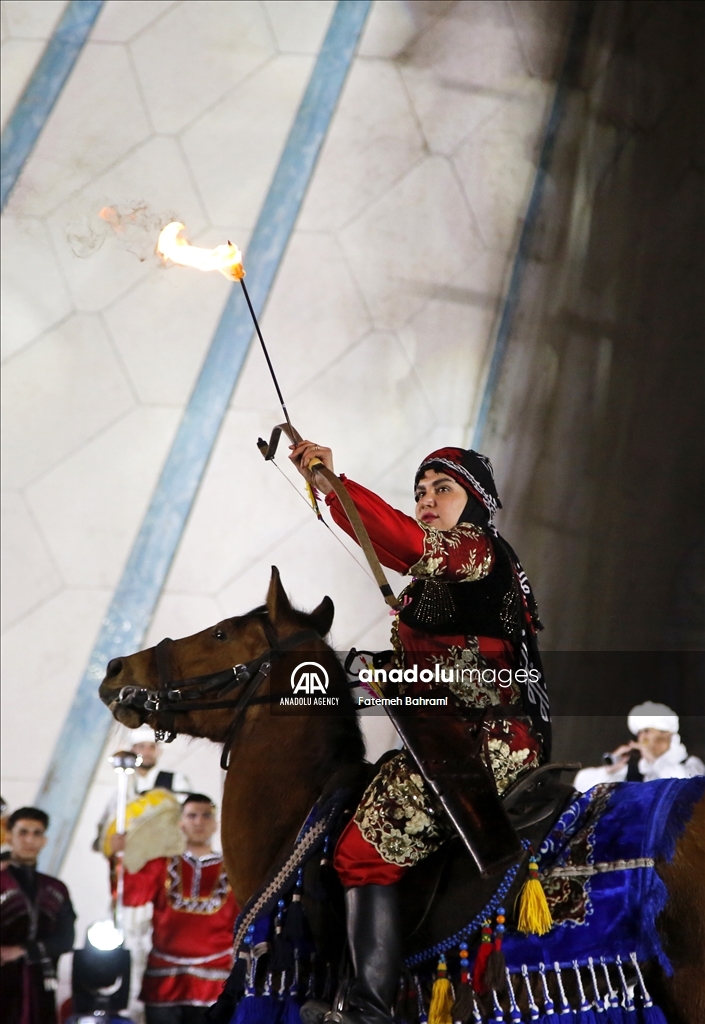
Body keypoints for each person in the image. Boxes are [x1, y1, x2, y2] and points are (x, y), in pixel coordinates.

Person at [290, 442, 549, 1024]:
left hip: (483, 746)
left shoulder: (478, 550)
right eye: (420, 492)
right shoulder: (441, 574)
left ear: (476, 501)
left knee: (359, 855)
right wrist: (331, 488)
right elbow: (381, 536)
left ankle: (368, 1009)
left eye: (442, 489)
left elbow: (404, 542)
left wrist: (338, 481)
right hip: (452, 736)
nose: (427, 500)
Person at [110, 794, 238, 1024]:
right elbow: (130, 897)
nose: (199, 822)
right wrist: (118, 857)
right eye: (192, 816)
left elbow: (243, 919)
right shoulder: (162, 865)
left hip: (215, 976)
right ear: (181, 822)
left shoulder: (233, 869)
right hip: (164, 974)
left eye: (206, 815)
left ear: (216, 823)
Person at [1, 807, 76, 1024]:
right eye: (23, 832)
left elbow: (66, 939)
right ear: (9, 838)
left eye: (37, 833)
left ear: (44, 840)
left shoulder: (56, 889)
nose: (29, 840)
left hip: (40, 984)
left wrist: (22, 950)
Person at [574, 701, 705, 791]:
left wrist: (654, 760)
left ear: (666, 734)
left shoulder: (691, 763)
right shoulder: (638, 768)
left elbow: (686, 788)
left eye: (647, 731)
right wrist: (611, 770)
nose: (642, 738)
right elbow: (581, 786)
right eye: (639, 733)